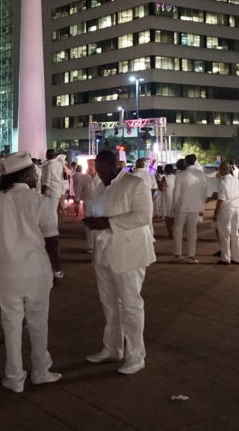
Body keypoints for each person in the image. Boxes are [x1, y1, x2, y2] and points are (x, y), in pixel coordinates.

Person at [0, 150, 63, 393]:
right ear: (25, 175)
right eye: (33, 172)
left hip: (7, 274)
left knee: (12, 326)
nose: (37, 176)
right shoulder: (39, 202)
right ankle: (40, 371)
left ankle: (14, 377)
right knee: (38, 323)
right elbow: (52, 241)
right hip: (37, 274)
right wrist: (57, 271)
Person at [83, 149, 156, 375]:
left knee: (131, 305)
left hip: (128, 253)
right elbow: (99, 211)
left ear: (116, 164)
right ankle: (113, 348)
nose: (100, 174)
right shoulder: (101, 186)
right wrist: (94, 219)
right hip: (104, 252)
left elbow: (144, 216)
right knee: (109, 304)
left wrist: (108, 223)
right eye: (98, 169)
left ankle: (136, 356)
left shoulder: (135, 183)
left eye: (103, 169)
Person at [171, 155, 207, 263]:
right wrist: (202, 204)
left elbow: (176, 192)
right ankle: (191, 255)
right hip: (195, 205)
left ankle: (178, 254)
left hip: (182, 205)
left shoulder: (180, 174)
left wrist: (174, 205)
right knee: (192, 230)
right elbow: (204, 190)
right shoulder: (200, 174)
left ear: (186, 162)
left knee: (178, 229)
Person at [213, 163, 239, 265]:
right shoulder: (235, 179)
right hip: (236, 208)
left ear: (222, 170)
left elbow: (221, 198)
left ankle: (225, 258)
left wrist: (215, 211)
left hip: (226, 209)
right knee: (235, 233)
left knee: (224, 234)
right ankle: (237, 258)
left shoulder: (222, 181)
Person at [40, 149, 66, 216]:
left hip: (50, 192)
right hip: (57, 191)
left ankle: (52, 226)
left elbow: (46, 182)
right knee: (54, 211)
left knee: (50, 212)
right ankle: (54, 225)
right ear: (54, 156)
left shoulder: (48, 165)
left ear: (46, 156)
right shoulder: (59, 164)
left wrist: (41, 193)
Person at [156, 164, 176, 239]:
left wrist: (158, 183)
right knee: (174, 217)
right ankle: (177, 233)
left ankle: (171, 234)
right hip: (175, 198)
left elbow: (162, 188)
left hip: (168, 198)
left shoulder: (165, 178)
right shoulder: (175, 177)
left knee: (168, 218)